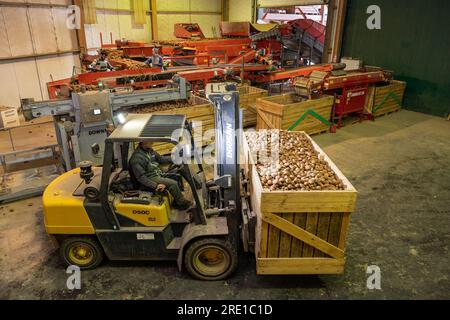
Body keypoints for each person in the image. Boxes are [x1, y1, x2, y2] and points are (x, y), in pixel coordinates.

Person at [129, 141, 193, 210]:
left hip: (157, 173)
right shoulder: (136, 158)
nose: (152, 143)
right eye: (150, 142)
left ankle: (177, 200)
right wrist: (155, 185)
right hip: (150, 177)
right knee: (173, 184)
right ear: (143, 142)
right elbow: (141, 177)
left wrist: (174, 159)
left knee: (177, 176)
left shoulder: (149, 151)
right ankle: (182, 204)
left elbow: (161, 159)